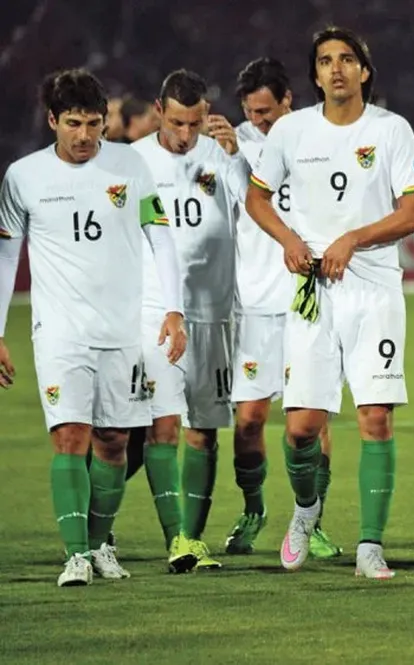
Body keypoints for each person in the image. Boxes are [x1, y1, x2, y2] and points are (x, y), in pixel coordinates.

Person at [245, 26, 414, 579]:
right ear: (316, 74)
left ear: (365, 71)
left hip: (373, 291)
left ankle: (370, 545)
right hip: (312, 292)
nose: (337, 68)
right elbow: (256, 197)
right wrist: (289, 240)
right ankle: (306, 511)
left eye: (348, 59)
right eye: (326, 61)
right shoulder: (292, 132)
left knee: (375, 418)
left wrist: (353, 239)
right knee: (302, 426)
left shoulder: (391, 130)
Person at [0, 68, 186, 586]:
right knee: (72, 436)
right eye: (75, 124)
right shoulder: (24, 176)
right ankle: (74, 555)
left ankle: (101, 543)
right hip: (60, 331)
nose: (85, 137)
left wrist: (173, 309)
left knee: (113, 442)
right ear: (52, 120)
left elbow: (161, 237)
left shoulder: (130, 165)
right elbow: (5, 253)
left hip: (123, 330)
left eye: (95, 124)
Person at [130, 68, 248, 570]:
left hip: (214, 310)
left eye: (194, 124)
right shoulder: (133, 160)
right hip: (154, 311)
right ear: (159, 111)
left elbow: (255, 208)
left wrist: (238, 157)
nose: (185, 135)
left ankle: (192, 540)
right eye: (177, 123)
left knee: (204, 427)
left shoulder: (222, 152)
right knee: (158, 425)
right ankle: (172, 537)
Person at [226, 56, 341, 560]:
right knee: (249, 418)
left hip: (309, 301)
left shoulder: (316, 138)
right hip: (255, 306)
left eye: (268, 112)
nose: (261, 122)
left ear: (289, 100)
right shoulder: (234, 145)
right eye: (253, 113)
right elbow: (245, 205)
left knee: (313, 423)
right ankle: (253, 509)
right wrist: (233, 155)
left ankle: (312, 519)